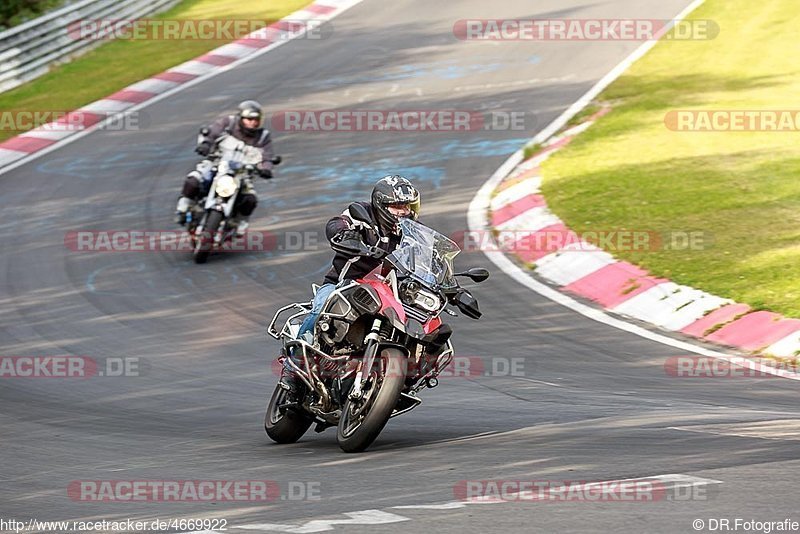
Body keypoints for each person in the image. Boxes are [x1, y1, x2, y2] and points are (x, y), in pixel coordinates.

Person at [279, 175, 421, 395]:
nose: (403, 211)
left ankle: (400, 380)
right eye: (397, 206)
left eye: (406, 206)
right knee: (321, 310)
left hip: (388, 295)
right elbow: (337, 223)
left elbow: (428, 258)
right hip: (343, 284)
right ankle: (292, 368)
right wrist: (345, 236)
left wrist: (448, 284)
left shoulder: (412, 233)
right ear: (381, 204)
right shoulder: (361, 214)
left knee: (419, 326)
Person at [174, 100, 275, 234]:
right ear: (241, 118)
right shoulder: (228, 123)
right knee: (194, 180)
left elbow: (267, 156)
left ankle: (240, 221)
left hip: (242, 174)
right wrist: (205, 144)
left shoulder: (263, 136)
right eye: (249, 119)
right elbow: (212, 132)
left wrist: (266, 168)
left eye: (256, 120)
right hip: (216, 164)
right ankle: (184, 206)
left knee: (250, 199)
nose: (253, 123)